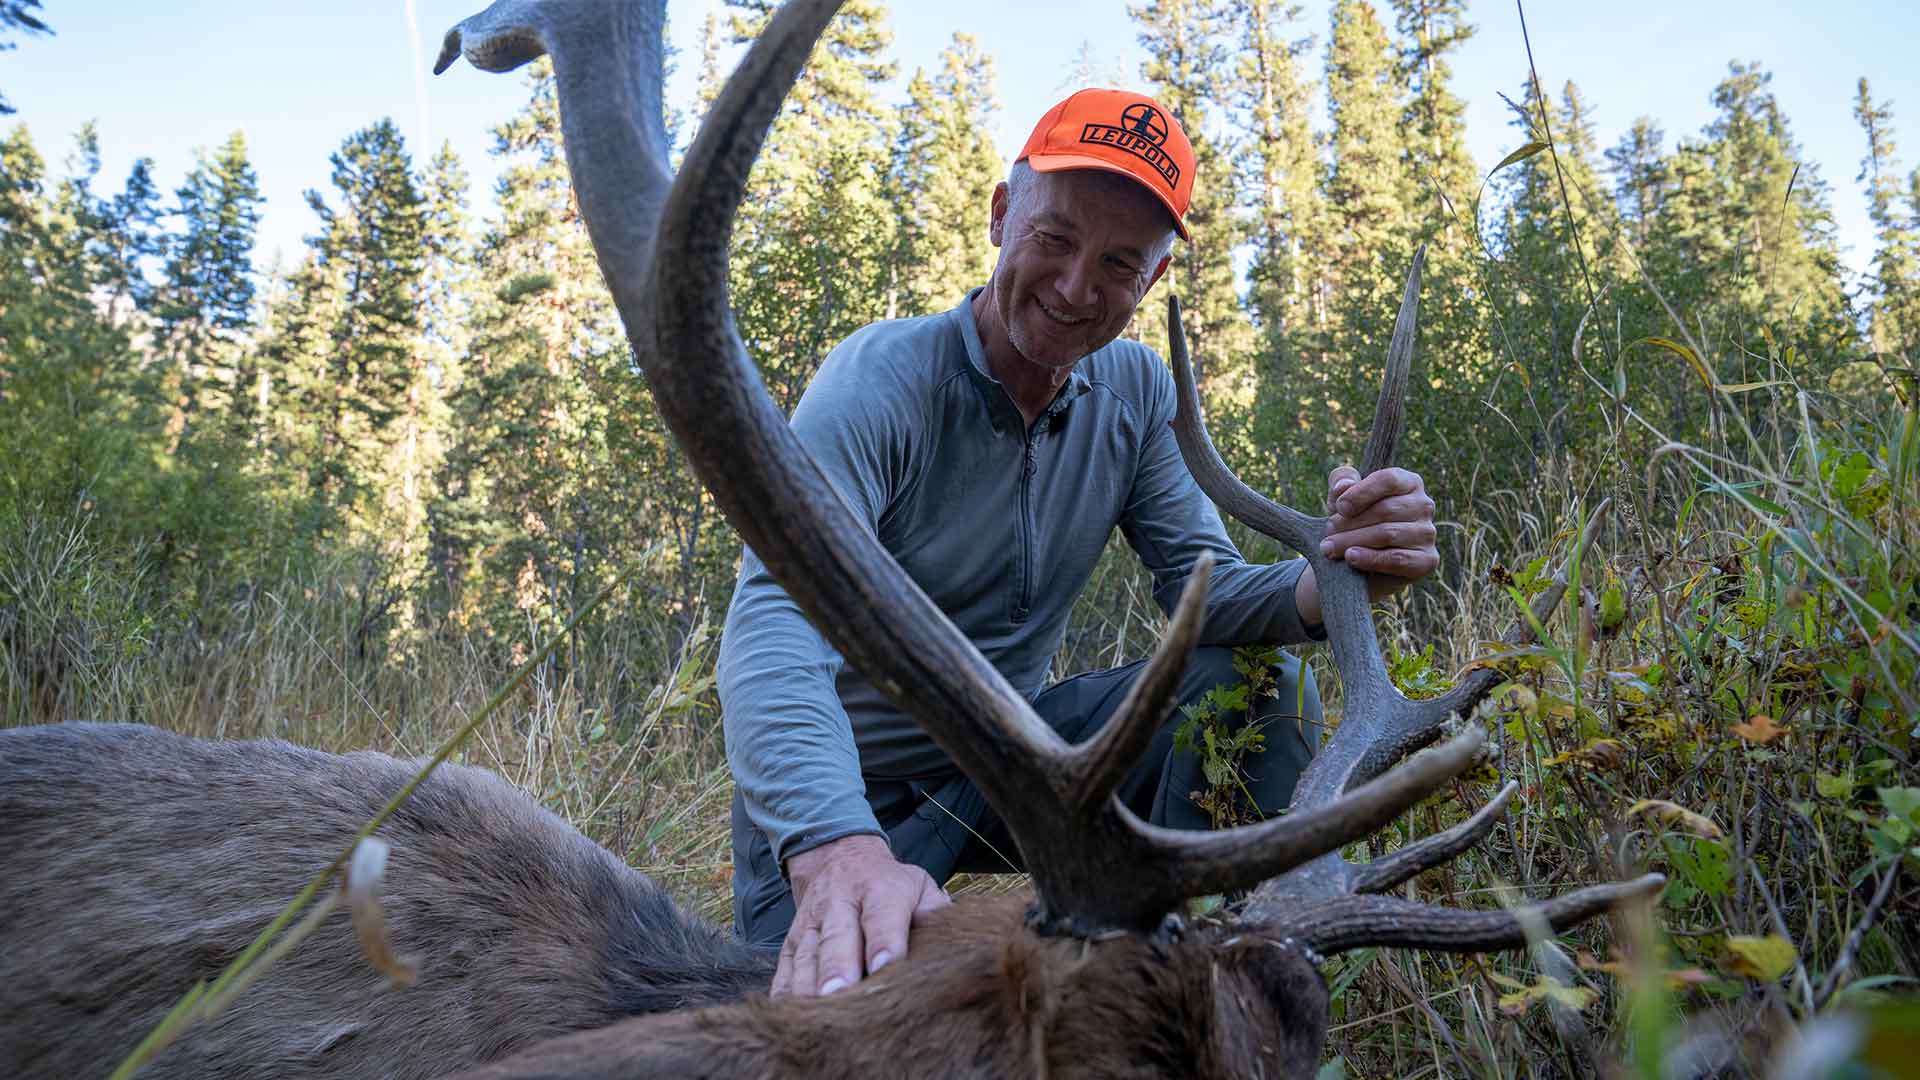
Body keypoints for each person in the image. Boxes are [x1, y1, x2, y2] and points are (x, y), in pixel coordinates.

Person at [716, 88, 1439, 998]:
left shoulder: (1133, 391)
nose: (1074, 287)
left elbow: (1204, 593)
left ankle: (1205, 986)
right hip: (848, 793)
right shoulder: (883, 383)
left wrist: (1339, 572)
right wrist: (831, 846)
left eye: (1117, 262)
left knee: (1256, 691)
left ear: (1154, 279)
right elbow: (777, 615)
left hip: (1010, 771)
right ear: (999, 215)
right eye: (1054, 239)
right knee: (832, 1030)